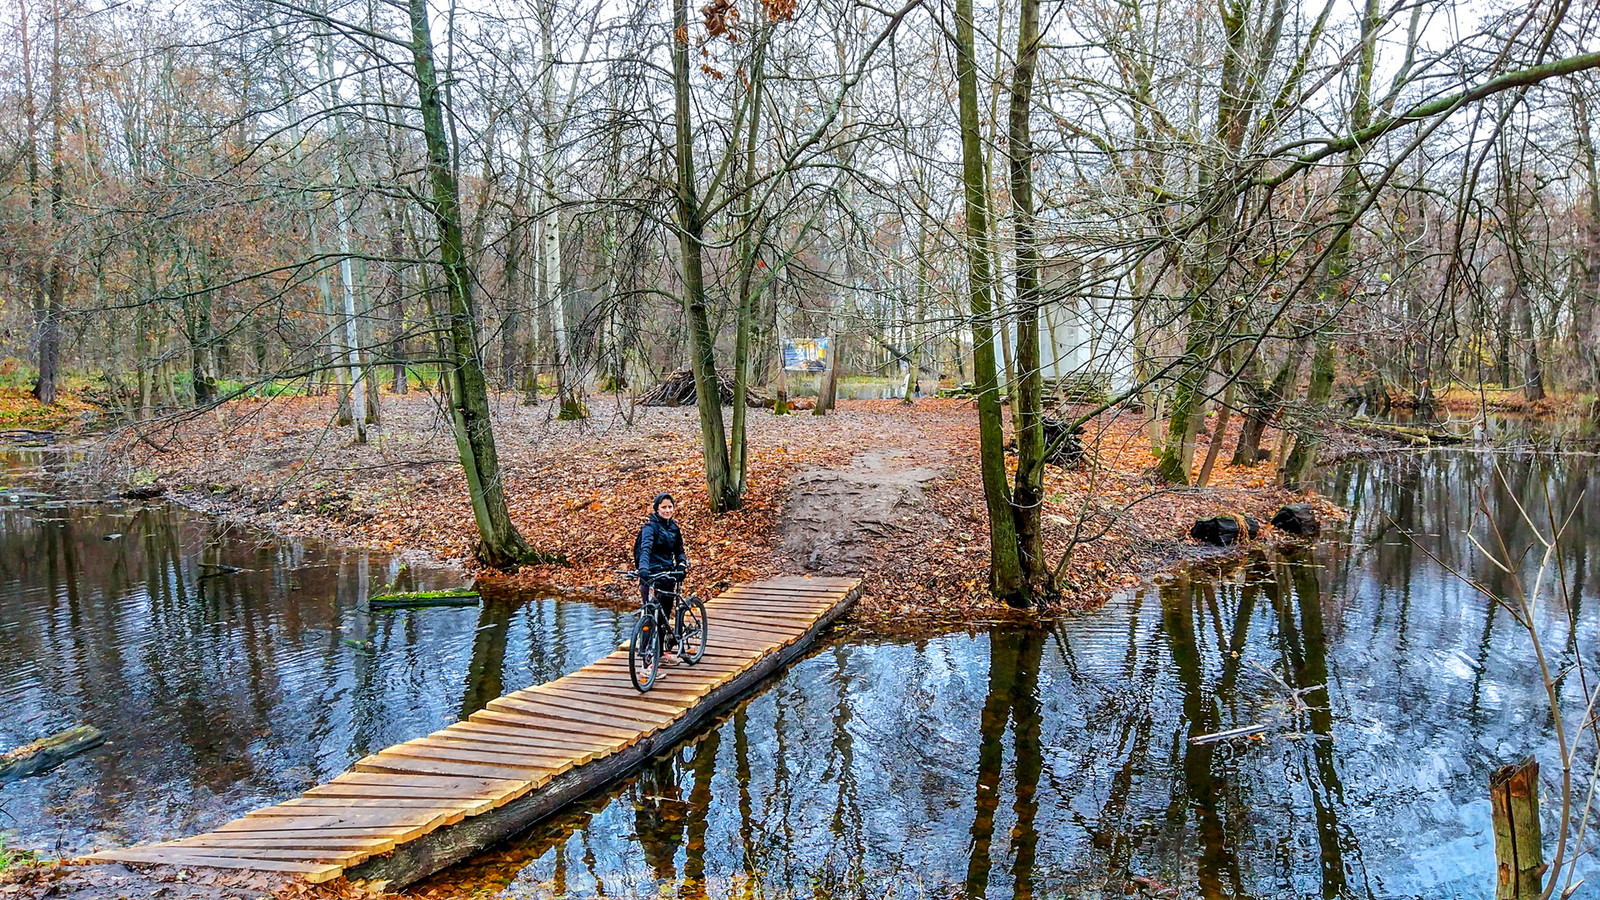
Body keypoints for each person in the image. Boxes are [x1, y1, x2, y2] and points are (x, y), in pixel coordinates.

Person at [635, 492, 689, 611]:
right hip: (651, 575)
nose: (667, 510)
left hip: (668, 575)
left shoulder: (674, 528)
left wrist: (681, 565)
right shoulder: (650, 528)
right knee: (649, 614)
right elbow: (646, 548)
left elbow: (679, 550)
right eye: (663, 507)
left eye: (670, 507)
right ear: (657, 509)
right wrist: (643, 568)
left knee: (665, 614)